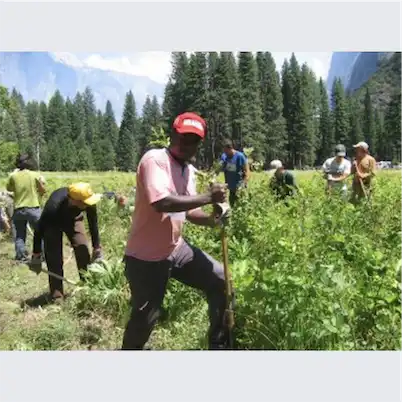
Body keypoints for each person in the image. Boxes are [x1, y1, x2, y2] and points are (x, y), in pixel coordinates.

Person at [121, 111, 230, 351]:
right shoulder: (155, 160)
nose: (186, 144)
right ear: (172, 134)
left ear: (198, 144)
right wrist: (208, 197)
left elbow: (186, 211)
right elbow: (162, 203)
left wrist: (213, 220)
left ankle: (219, 344)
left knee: (220, 279)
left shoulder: (187, 171)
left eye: (192, 140)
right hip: (145, 257)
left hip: (176, 248)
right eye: (182, 137)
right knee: (145, 318)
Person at [29, 182, 103, 301]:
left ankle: (88, 287)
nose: (88, 204)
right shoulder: (53, 207)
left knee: (82, 247)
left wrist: (97, 246)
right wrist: (36, 253)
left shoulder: (88, 200)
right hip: (53, 223)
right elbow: (39, 230)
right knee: (54, 257)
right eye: (84, 202)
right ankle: (57, 295)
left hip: (74, 218)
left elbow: (93, 222)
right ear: (73, 200)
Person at [6, 154, 46, 262]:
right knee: (40, 233)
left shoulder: (13, 176)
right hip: (33, 207)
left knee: (19, 234)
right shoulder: (34, 175)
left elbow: (9, 188)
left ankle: (21, 257)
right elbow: (43, 190)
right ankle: (42, 255)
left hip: (18, 208)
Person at [219, 140, 250, 206]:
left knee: (241, 206)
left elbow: (247, 172)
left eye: (226, 150)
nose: (224, 152)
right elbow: (219, 167)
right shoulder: (224, 157)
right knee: (232, 205)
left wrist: (243, 184)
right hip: (231, 187)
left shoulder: (240, 156)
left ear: (230, 148)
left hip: (240, 187)